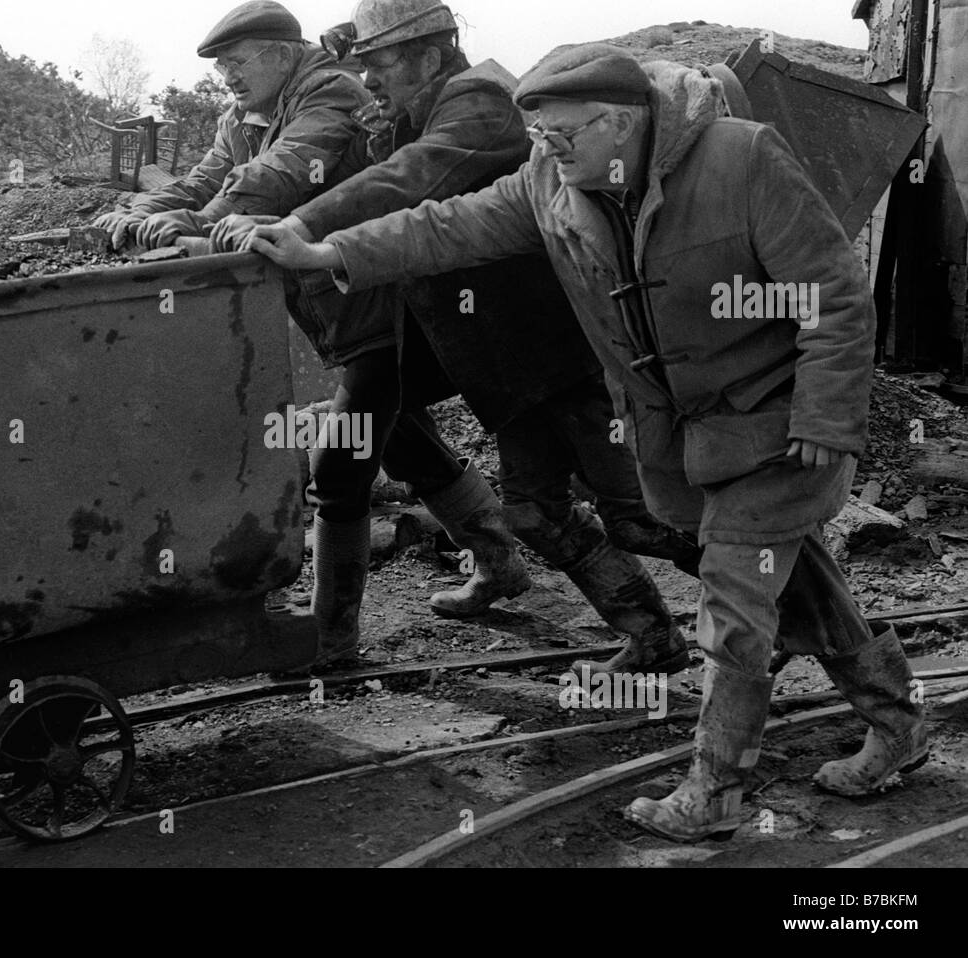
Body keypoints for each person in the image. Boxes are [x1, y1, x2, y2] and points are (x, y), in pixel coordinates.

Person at [245, 43, 928, 841]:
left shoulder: (741, 160)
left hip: (777, 418)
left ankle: (717, 790)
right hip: (683, 431)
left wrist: (825, 415)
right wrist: (326, 251)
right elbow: (444, 228)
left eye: (564, 133)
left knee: (736, 601)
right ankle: (900, 721)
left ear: (627, 122)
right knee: (801, 580)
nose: (548, 149)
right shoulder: (550, 183)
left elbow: (833, 295)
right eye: (539, 136)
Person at [215, 0, 699, 681]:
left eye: (381, 63)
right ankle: (654, 636)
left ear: (431, 54)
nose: (370, 80)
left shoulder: (479, 100)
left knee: (644, 515)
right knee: (534, 510)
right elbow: (400, 183)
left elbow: (414, 182)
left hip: (549, 348)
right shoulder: (415, 110)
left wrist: (305, 224)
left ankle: (783, 598)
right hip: (494, 356)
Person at [95, 1, 510, 670]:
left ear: (283, 56)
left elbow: (281, 174)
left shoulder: (327, 92)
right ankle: (498, 561)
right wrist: (143, 211)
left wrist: (197, 226)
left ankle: (331, 637)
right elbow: (207, 179)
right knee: (404, 441)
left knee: (339, 469)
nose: (227, 76)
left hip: (380, 304)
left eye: (238, 61)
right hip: (334, 310)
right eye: (222, 66)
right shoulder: (242, 115)